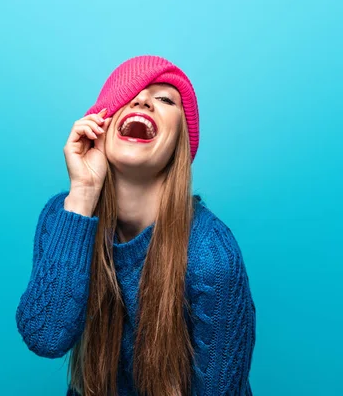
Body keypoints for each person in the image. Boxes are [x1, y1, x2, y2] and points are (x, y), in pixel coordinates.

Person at [15, 55, 256, 396]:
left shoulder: (210, 255)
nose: (142, 100)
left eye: (164, 99)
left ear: (180, 142)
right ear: (100, 124)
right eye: (128, 95)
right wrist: (83, 193)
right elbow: (45, 336)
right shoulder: (65, 215)